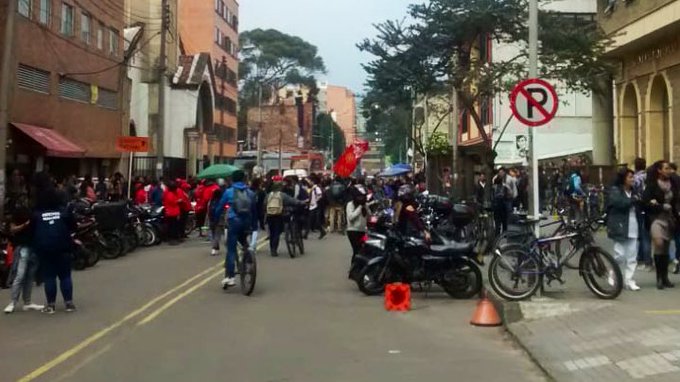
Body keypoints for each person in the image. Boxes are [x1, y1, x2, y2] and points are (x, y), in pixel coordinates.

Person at [31, 173, 77, 314]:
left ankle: (50, 305)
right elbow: (73, 226)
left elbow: (32, 231)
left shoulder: (37, 214)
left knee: (49, 276)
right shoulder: (63, 212)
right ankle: (69, 303)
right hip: (63, 247)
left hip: (45, 249)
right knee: (65, 275)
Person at [213, 170, 258, 288]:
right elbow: (254, 211)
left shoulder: (229, 192)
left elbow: (219, 207)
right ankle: (249, 260)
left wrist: (216, 219)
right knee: (244, 241)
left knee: (231, 248)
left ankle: (230, 277)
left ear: (232, 180)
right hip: (246, 222)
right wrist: (254, 226)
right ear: (244, 179)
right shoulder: (250, 193)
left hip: (234, 221)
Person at [642, 160, 679, 290]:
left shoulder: (673, 183)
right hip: (656, 218)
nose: (669, 171)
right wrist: (659, 205)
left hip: (670, 219)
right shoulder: (652, 185)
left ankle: (665, 277)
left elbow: (676, 200)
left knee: (665, 247)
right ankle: (658, 278)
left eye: (669, 169)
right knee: (659, 243)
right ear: (659, 170)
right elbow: (645, 201)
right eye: (666, 168)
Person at [4, 205, 43, 313]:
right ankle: (14, 302)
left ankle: (26, 302)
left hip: (30, 248)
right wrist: (25, 225)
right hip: (26, 248)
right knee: (21, 276)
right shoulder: (29, 217)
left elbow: (12, 229)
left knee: (28, 277)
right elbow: (12, 229)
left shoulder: (31, 217)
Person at [607, 169, 642, 291]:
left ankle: (629, 280)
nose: (633, 179)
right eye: (630, 177)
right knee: (620, 254)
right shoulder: (616, 191)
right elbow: (619, 203)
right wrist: (634, 200)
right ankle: (614, 273)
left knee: (632, 255)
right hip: (620, 226)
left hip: (633, 225)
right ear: (623, 179)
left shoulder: (635, 192)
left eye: (633, 177)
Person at [265, 176, 301, 256]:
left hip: (270, 215)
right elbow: (292, 201)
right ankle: (274, 249)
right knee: (277, 232)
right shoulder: (282, 195)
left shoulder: (268, 195)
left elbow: (264, 204)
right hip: (279, 215)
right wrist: (300, 203)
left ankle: (272, 249)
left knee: (272, 232)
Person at [633, 157, 652, 270]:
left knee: (642, 234)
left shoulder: (635, 178)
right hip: (649, 206)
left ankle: (646, 260)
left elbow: (632, 191)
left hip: (639, 206)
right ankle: (642, 257)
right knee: (645, 233)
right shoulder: (648, 176)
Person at [346, 186, 368, 262]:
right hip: (353, 232)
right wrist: (360, 207)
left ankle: (359, 269)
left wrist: (366, 206)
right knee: (357, 250)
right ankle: (353, 270)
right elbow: (351, 217)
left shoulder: (365, 205)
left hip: (363, 232)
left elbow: (369, 216)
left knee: (363, 249)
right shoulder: (350, 204)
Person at [162, 181, 182, 245]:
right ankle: (172, 239)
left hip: (171, 212)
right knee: (172, 226)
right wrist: (178, 201)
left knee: (173, 226)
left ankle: (173, 238)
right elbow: (172, 202)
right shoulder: (170, 194)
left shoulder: (169, 193)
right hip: (172, 212)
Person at [308, 174, 327, 239]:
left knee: (315, 221)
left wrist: (315, 201)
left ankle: (322, 231)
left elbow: (319, 195)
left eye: (309, 180)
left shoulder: (316, 188)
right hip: (313, 205)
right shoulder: (313, 187)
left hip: (315, 206)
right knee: (311, 220)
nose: (309, 182)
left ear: (312, 181)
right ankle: (322, 232)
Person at [492, 172, 510, 236]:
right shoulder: (505, 187)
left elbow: (492, 197)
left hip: (496, 207)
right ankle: (504, 235)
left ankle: (497, 236)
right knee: (504, 222)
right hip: (503, 207)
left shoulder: (493, 188)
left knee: (497, 223)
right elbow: (508, 196)